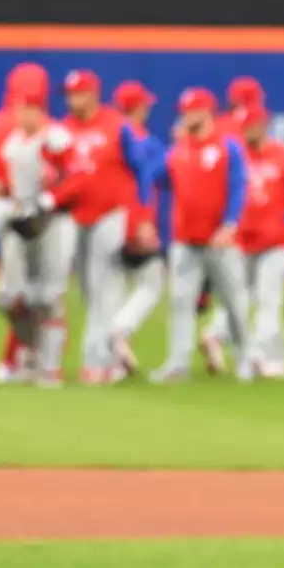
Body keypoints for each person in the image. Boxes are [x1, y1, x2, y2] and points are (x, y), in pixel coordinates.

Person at [46, 70, 148, 384]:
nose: (73, 99)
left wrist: (141, 216)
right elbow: (52, 172)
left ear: (93, 93)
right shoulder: (61, 130)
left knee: (108, 286)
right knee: (89, 290)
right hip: (74, 217)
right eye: (69, 93)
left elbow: (140, 170)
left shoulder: (117, 125)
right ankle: (105, 357)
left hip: (111, 215)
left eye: (79, 93)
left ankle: (98, 361)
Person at [202, 91, 284, 379]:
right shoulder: (235, 156)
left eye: (254, 125)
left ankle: (266, 355)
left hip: (276, 242)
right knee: (237, 297)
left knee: (268, 299)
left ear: (265, 125)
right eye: (245, 126)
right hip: (243, 240)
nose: (249, 130)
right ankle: (218, 335)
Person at [148, 87, 253, 383]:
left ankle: (245, 358)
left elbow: (237, 187)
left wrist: (231, 223)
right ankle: (178, 362)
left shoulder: (226, 146)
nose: (186, 116)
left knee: (234, 301)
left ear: (208, 111)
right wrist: (172, 144)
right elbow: (153, 177)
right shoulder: (179, 149)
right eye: (184, 111)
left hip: (220, 239)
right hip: (185, 239)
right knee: (181, 302)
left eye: (192, 110)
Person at [0, 78, 77, 387]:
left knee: (49, 295)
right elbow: (12, 184)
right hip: (25, 221)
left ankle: (49, 366)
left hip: (56, 222)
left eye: (28, 109)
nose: (22, 115)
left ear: (40, 110)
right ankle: (29, 352)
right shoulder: (14, 141)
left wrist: (52, 197)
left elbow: (75, 176)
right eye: (19, 109)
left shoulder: (55, 137)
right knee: (9, 296)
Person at [0, 64, 39, 383]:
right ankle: (19, 356)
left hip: (0, 208)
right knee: (29, 290)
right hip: (28, 212)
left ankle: (19, 355)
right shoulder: (43, 127)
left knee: (21, 286)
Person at [110, 81, 165, 375]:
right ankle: (122, 328)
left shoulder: (108, 135)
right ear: (139, 107)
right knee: (151, 284)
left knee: (114, 289)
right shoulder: (145, 141)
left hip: (107, 220)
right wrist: (143, 220)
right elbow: (145, 182)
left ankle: (112, 365)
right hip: (136, 218)